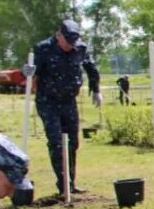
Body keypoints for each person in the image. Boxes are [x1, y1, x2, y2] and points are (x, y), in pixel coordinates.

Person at [24, 19, 101, 194]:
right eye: (67, 42)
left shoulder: (80, 49)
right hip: (48, 101)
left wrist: (96, 90)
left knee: (73, 142)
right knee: (57, 142)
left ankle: (71, 184)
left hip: (69, 101)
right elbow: (31, 73)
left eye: (73, 42)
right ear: (58, 35)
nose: (70, 46)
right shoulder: (43, 49)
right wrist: (27, 72)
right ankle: (63, 184)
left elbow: (91, 69)